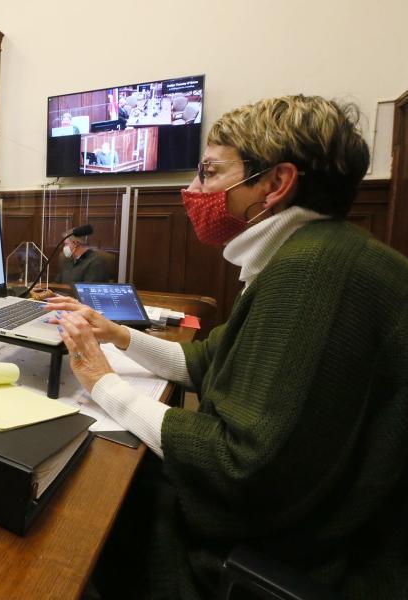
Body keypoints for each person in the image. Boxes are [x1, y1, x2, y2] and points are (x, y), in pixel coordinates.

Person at [47, 95, 408, 598]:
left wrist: (102, 383)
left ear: (276, 184)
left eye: (209, 172)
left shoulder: (310, 273)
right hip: (313, 526)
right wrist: (118, 334)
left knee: (83, 503)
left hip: (297, 557)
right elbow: (211, 359)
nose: (192, 189)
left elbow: (240, 466)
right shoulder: (320, 252)